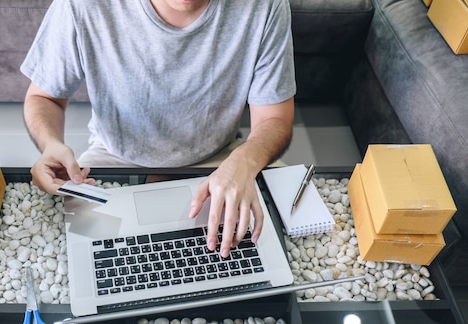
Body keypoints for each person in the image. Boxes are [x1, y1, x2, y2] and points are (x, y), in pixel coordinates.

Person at [21, 0, 296, 258]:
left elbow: (275, 120)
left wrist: (244, 162)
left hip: (223, 156)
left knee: (280, 249)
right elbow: (44, 97)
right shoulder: (79, 5)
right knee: (81, 257)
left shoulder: (266, 5)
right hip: (114, 157)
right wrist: (51, 145)